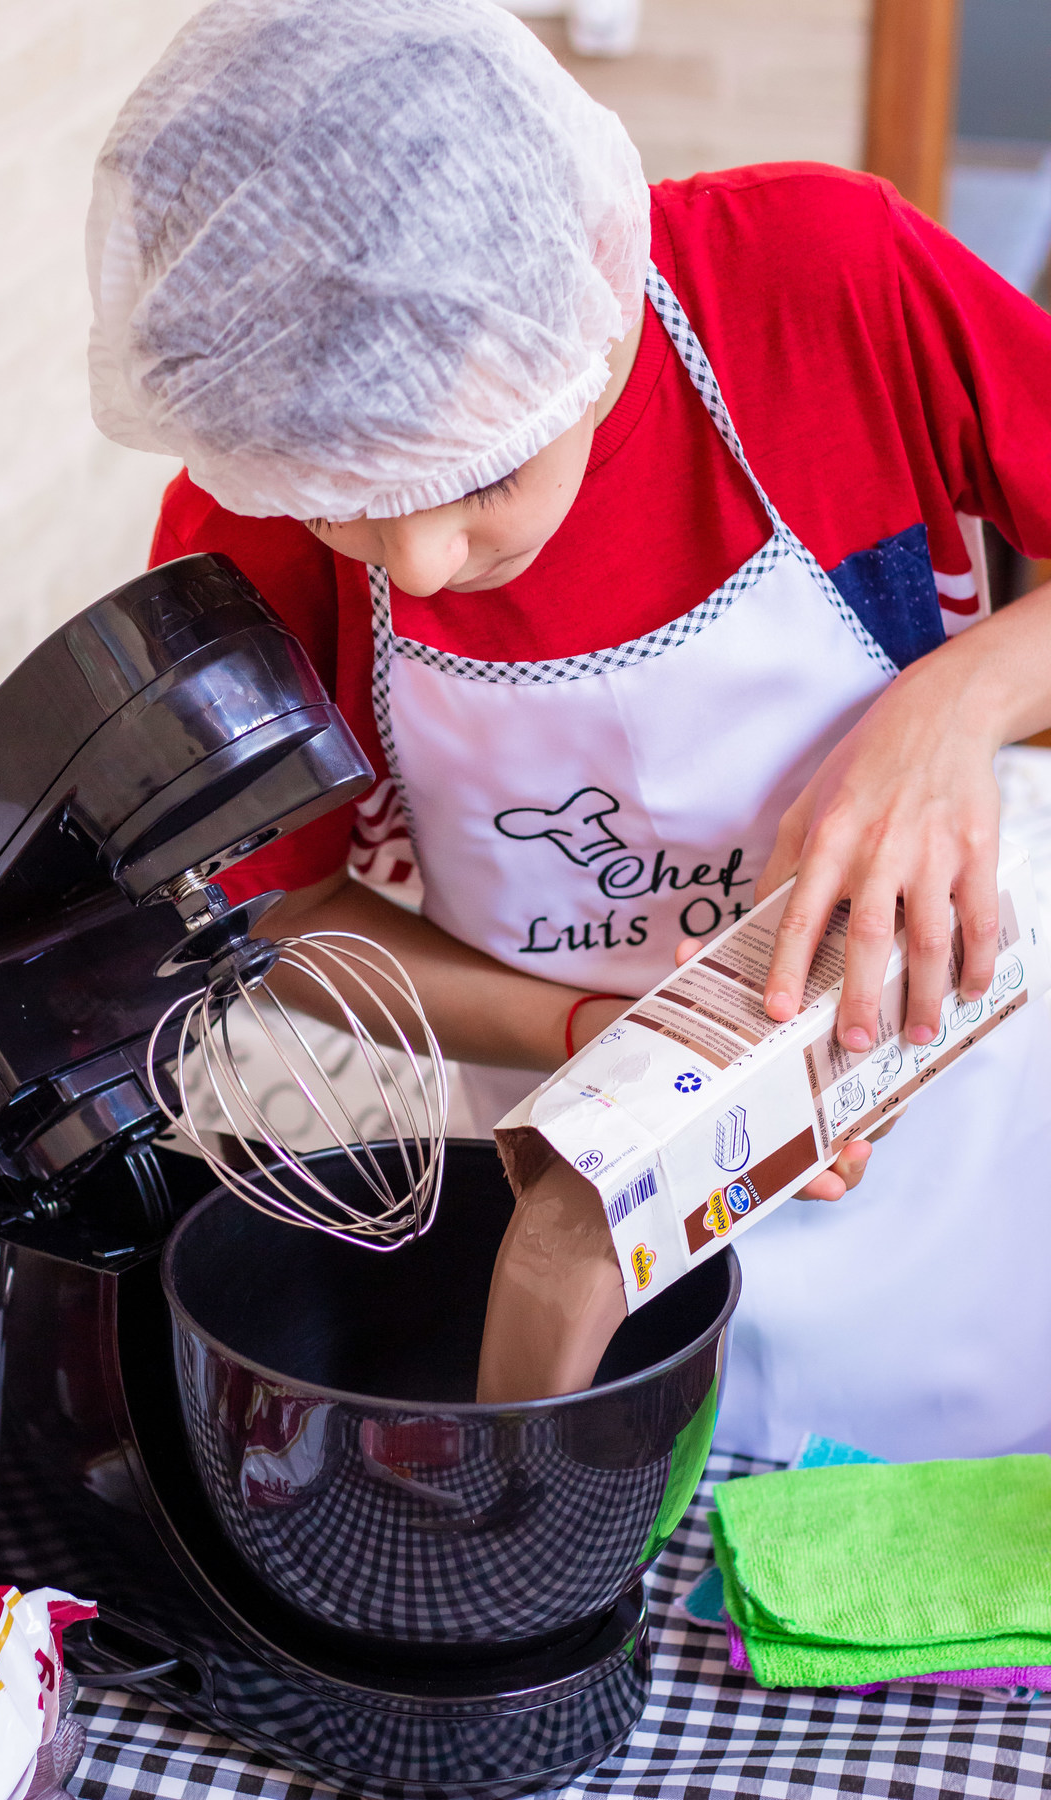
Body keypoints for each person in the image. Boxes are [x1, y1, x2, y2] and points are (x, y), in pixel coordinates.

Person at [87, 0, 1051, 1463]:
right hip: (609, 1202)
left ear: (595, 288)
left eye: (480, 474)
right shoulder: (247, 505)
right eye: (337, 497)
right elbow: (272, 911)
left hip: (966, 1162)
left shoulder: (821, 287)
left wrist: (960, 699)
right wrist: (596, 1038)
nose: (407, 565)